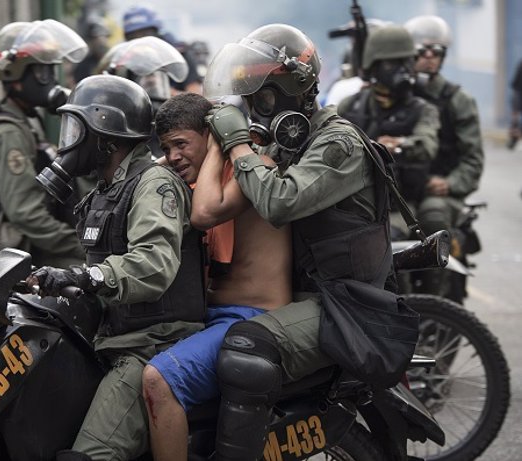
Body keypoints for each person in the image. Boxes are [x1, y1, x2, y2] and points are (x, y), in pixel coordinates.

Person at [202, 24, 396, 461]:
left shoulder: (337, 142)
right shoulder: (293, 139)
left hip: (345, 303)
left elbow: (280, 202)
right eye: (249, 97)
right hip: (310, 294)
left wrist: (236, 142)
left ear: (296, 87)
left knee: (246, 349)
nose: (255, 107)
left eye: (263, 96)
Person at [27, 74, 206, 461]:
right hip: (112, 338)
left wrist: (83, 277)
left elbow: (154, 264)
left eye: (78, 129)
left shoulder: (153, 185)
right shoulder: (104, 192)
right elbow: (103, 264)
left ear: (106, 138)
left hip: (152, 344)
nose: (69, 141)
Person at [141, 93, 293, 461]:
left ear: (210, 137)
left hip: (253, 320)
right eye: (166, 147)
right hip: (214, 318)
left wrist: (218, 146)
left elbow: (204, 214)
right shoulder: (200, 179)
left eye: (180, 144)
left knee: (157, 381)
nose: (173, 156)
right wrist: (177, 156)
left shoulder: (254, 168)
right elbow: (150, 174)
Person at [0, 20, 88, 267]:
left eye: (52, 71)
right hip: (14, 258)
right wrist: (82, 246)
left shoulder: (25, 122)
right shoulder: (7, 134)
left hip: (29, 251)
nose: (51, 81)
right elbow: (26, 215)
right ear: (16, 77)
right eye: (43, 72)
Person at [405, 15, 485, 297]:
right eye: (421, 51)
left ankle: (436, 303)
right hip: (400, 187)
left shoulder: (457, 100)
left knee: (434, 219)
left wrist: (450, 183)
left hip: (439, 189)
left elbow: (473, 159)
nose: (428, 57)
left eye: (435, 52)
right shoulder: (396, 94)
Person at [337, 25, 441, 206]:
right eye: (391, 64)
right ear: (373, 68)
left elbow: (427, 144)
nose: (402, 70)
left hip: (401, 206)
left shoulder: (423, 109)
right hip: (356, 202)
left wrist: (398, 145)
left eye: (406, 62)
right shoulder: (351, 105)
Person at [121, 5, 202, 94]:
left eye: (145, 33)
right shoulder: (127, 62)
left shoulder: (180, 54)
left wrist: (166, 92)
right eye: (133, 36)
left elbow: (196, 95)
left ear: (157, 32)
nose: (141, 40)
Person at [72, 18, 111, 84]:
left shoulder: (114, 60)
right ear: (90, 41)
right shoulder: (83, 66)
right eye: (96, 38)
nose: (101, 42)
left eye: (103, 37)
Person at [509, 59, 522, 150]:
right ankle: (513, 139)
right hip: (518, 94)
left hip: (517, 94)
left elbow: (513, 83)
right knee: (515, 120)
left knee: (515, 120)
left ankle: (513, 140)